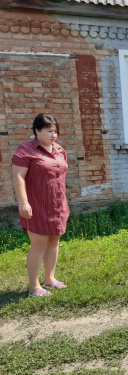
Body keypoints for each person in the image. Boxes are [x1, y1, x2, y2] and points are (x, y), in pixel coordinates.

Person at [12, 114, 70, 297]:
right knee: (38, 245)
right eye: (49, 131)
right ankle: (34, 287)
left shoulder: (60, 150)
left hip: (58, 205)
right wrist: (23, 202)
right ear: (37, 131)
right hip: (36, 205)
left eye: (55, 131)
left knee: (54, 242)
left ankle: (50, 279)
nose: (53, 135)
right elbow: (18, 177)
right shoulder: (26, 151)